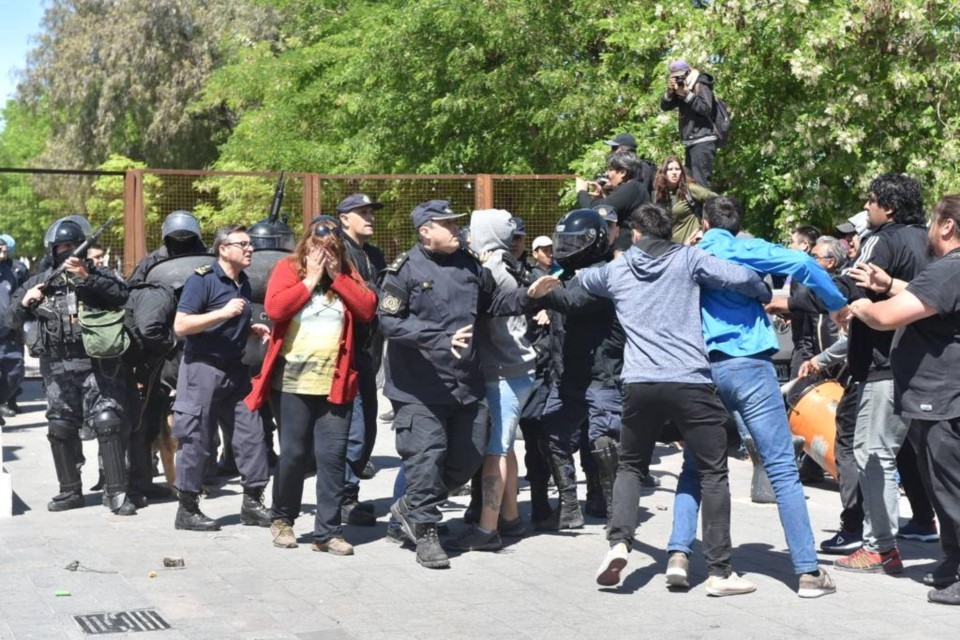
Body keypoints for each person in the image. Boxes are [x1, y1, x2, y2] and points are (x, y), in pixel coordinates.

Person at [580, 203, 771, 595]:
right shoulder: (690, 259)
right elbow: (742, 278)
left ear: (635, 233)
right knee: (713, 472)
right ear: (671, 233)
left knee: (631, 467)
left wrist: (557, 283)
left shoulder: (616, 270)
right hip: (690, 382)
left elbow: (583, 280)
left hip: (639, 384)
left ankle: (619, 542)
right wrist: (762, 290)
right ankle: (719, 572)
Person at [664, 197, 845, 598]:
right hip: (750, 366)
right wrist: (837, 306)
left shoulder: (690, 253)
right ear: (735, 223)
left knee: (695, 467)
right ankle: (808, 573)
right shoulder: (744, 247)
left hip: (702, 370)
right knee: (781, 467)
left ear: (705, 222)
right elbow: (801, 264)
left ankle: (678, 555)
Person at [378, 199, 558, 569]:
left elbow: (494, 302)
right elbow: (389, 323)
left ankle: (410, 509)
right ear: (426, 230)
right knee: (427, 458)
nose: (457, 229)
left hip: (465, 383)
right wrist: (438, 338)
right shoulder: (404, 270)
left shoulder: (470, 265)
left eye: (458, 223)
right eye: (448, 223)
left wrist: (529, 296)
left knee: (470, 457)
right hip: (419, 388)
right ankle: (426, 530)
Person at [843, 193, 960, 604]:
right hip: (937, 395)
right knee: (940, 484)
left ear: (947, 226)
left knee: (950, 487)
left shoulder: (950, 268)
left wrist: (858, 306)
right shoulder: (948, 272)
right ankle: (951, 563)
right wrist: (889, 283)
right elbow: (935, 302)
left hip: (944, 396)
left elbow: (886, 316)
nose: (928, 228)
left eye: (934, 220)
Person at [244, 215, 376, 554]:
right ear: (307, 243)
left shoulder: (345, 272)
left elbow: (367, 309)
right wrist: (311, 279)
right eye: (319, 246)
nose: (326, 251)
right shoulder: (288, 268)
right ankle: (282, 519)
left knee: (332, 458)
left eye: (332, 247)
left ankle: (327, 533)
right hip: (291, 382)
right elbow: (275, 308)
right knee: (295, 455)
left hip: (335, 382)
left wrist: (336, 277)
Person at [4, 216, 138, 515]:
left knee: (108, 420)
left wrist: (87, 277)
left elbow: (122, 297)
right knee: (60, 426)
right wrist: (26, 301)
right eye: (62, 246)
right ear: (52, 249)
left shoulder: (97, 273)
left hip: (96, 364)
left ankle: (116, 492)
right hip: (56, 367)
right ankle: (70, 492)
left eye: (74, 246)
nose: (68, 251)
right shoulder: (37, 281)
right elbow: (10, 320)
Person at [831, 173, 929, 574]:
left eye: (871, 202)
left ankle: (878, 546)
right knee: (927, 456)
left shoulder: (880, 239)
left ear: (887, 208)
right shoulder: (929, 241)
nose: (867, 209)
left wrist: (800, 293)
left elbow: (852, 285)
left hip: (883, 365)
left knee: (874, 454)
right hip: (925, 366)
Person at [170, 224, 273, 531]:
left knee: (252, 434)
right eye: (243, 244)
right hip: (202, 368)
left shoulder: (242, 281)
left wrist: (250, 326)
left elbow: (234, 314)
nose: (250, 248)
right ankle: (187, 509)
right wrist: (223, 314)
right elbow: (182, 325)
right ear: (223, 249)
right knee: (196, 439)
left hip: (234, 368)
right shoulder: (202, 280)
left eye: (250, 244)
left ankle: (253, 503)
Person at [449, 210, 538, 551]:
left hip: (502, 370)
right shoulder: (505, 262)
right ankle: (511, 517)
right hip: (516, 367)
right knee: (506, 445)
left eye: (472, 230)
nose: (466, 235)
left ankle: (487, 530)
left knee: (495, 450)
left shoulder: (492, 269)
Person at [534, 209, 627, 528]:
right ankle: (570, 506)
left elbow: (572, 302)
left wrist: (538, 292)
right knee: (552, 435)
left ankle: (617, 511)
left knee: (604, 442)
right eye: (564, 240)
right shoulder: (567, 276)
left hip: (602, 375)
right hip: (569, 376)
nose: (565, 246)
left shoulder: (604, 275)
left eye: (573, 241)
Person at [337, 193, 387, 527]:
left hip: (369, 350)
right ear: (344, 218)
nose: (369, 217)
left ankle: (348, 493)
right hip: (343, 351)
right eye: (362, 212)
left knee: (368, 427)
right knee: (352, 429)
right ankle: (343, 497)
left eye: (371, 212)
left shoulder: (374, 254)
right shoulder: (336, 251)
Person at [577, 152, 650, 253]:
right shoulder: (635, 188)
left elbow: (596, 211)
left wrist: (582, 192)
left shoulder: (631, 188)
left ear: (623, 172)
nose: (607, 174)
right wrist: (602, 197)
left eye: (611, 169)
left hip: (626, 253)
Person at [660, 59, 718, 187]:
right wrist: (670, 93)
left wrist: (687, 95)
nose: (679, 79)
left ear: (689, 71)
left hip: (702, 140)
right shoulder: (679, 88)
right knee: (690, 183)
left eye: (681, 75)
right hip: (690, 141)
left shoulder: (700, 83)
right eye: (675, 77)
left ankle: (707, 207)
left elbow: (706, 109)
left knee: (700, 185)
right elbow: (665, 107)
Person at [128, 210, 208, 285]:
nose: (181, 241)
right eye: (176, 237)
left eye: (187, 238)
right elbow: (133, 287)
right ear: (166, 238)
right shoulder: (152, 261)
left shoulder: (207, 259)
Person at [653, 156, 717, 245]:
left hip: (691, 246)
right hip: (670, 247)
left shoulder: (689, 189)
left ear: (681, 172)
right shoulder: (661, 195)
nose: (674, 172)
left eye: (677, 169)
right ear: (664, 173)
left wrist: (707, 227)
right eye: (670, 169)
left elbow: (717, 200)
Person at [0, 236, 26, 422]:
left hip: (10, 334)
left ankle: (5, 400)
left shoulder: (14, 270)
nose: (2, 247)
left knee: (14, 372)